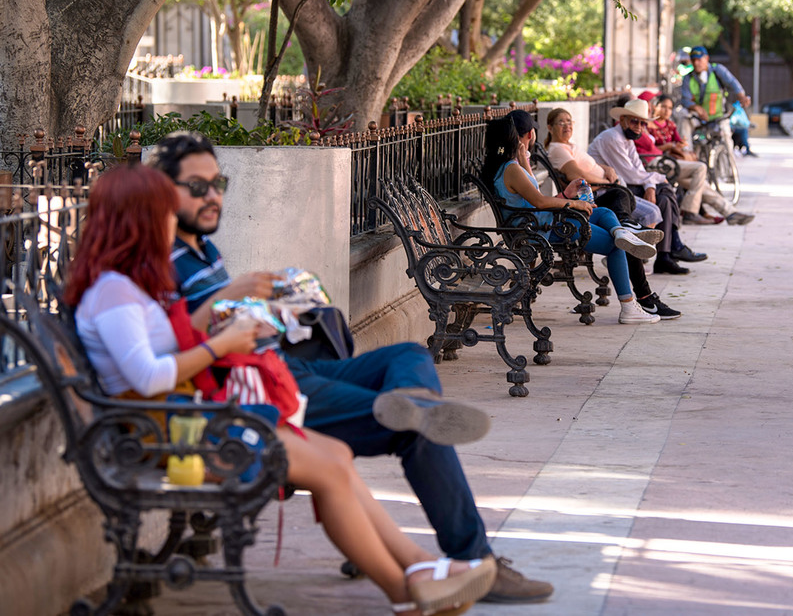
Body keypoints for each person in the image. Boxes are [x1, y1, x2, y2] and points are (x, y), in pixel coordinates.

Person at [65, 163, 497, 616]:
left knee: (337, 456)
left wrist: (230, 318)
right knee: (330, 468)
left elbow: (167, 346)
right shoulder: (114, 291)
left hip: (190, 418)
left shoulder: (125, 283)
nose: (173, 223)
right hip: (177, 432)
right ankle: (407, 588)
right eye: (163, 214)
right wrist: (221, 345)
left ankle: (417, 572)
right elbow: (148, 377)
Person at [149, 131, 553, 604]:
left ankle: (412, 404)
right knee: (419, 433)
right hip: (254, 395)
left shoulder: (199, 248)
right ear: (162, 193)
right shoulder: (154, 264)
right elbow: (167, 353)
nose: (213, 195)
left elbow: (215, 320)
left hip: (280, 365)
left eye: (218, 182)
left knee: (408, 356)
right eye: (197, 186)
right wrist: (230, 305)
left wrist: (276, 306)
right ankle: (473, 560)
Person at [483, 114, 660, 324]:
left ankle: (623, 231)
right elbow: (539, 201)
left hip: (539, 222)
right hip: (541, 229)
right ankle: (629, 305)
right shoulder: (512, 170)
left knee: (603, 213)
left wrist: (564, 194)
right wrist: (574, 203)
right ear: (530, 134)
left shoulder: (509, 165)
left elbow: (533, 198)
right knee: (614, 246)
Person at [533, 108, 680, 319]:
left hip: (592, 200)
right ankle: (642, 298)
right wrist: (609, 181)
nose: (566, 126)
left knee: (623, 222)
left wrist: (605, 169)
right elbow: (572, 179)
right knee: (621, 218)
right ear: (548, 128)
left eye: (569, 121)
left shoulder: (570, 147)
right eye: (560, 123)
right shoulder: (556, 150)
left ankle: (626, 230)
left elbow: (588, 167)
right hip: (586, 200)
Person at [587, 99, 706, 275]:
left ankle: (666, 254)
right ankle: (671, 248)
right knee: (664, 189)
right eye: (635, 121)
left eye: (643, 123)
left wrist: (651, 184)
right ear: (623, 120)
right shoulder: (612, 138)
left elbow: (639, 170)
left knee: (664, 194)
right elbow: (630, 174)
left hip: (623, 187)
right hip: (609, 193)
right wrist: (657, 179)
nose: (639, 127)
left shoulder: (626, 139)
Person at [645, 94, 754, 226]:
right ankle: (692, 212)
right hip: (660, 164)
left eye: (669, 108)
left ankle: (729, 213)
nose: (666, 111)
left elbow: (679, 142)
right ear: (654, 106)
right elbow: (650, 150)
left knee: (700, 183)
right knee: (700, 169)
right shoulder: (647, 126)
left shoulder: (670, 125)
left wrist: (680, 147)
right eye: (663, 107)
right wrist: (668, 147)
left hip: (673, 163)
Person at [679, 46, 752, 162]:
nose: (696, 63)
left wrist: (742, 96)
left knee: (727, 139)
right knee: (684, 120)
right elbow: (685, 100)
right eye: (693, 60)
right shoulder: (688, 78)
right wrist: (696, 108)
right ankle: (688, 156)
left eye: (699, 59)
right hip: (699, 118)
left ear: (706, 58)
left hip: (719, 117)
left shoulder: (717, 71)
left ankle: (730, 169)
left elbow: (733, 84)